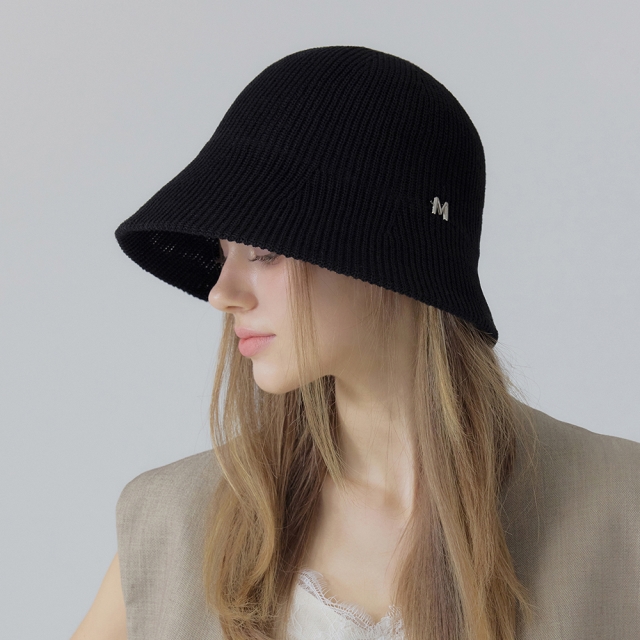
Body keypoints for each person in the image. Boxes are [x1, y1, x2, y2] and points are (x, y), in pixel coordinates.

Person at [71, 46, 640, 640]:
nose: (221, 293)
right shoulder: (169, 523)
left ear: (380, 257)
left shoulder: (620, 511)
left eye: (264, 251)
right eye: (223, 253)